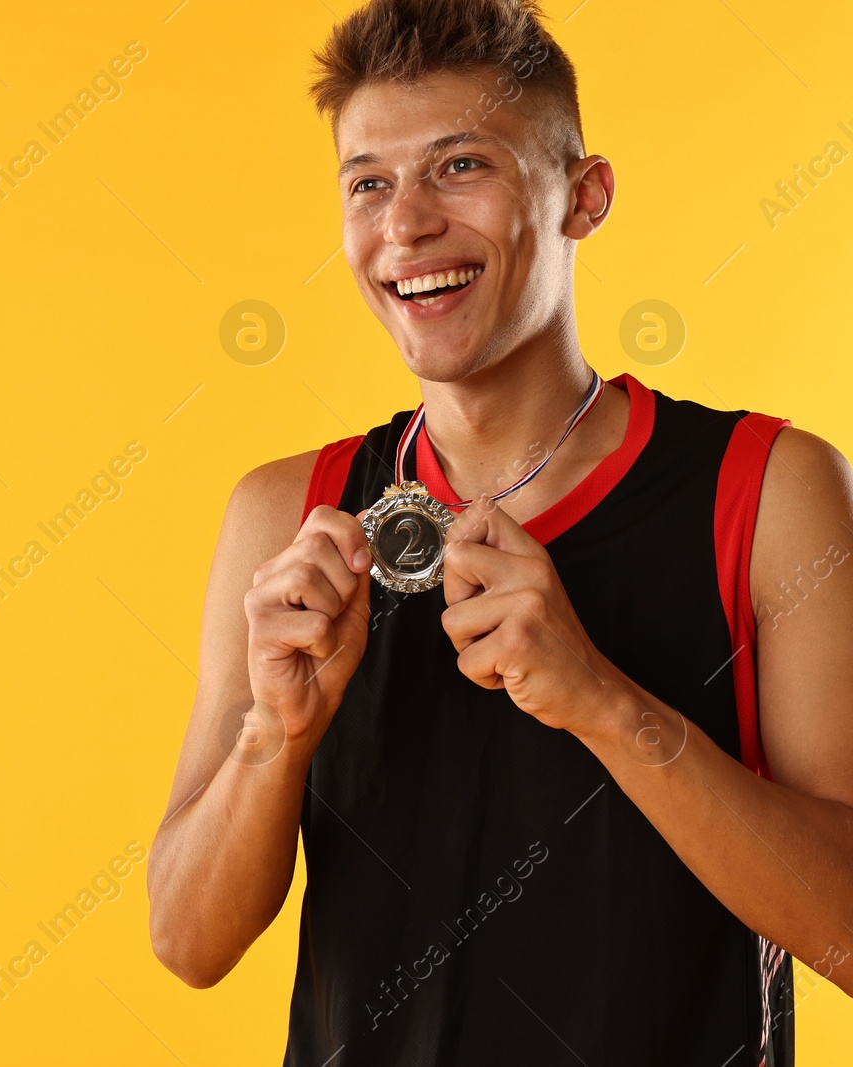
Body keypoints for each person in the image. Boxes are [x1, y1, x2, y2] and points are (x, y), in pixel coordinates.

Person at [145, 1, 853, 1063]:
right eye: (367, 183)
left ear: (583, 194)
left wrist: (599, 698)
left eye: (459, 165)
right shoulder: (288, 514)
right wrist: (276, 731)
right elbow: (185, 939)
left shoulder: (767, 490)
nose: (405, 225)